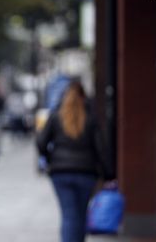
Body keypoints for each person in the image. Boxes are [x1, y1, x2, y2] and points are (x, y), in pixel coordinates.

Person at [36, 81, 114, 242]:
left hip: (60, 173)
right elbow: (101, 148)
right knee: (80, 214)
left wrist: (51, 159)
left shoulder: (56, 116)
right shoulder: (90, 118)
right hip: (86, 173)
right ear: (84, 97)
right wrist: (108, 174)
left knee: (69, 215)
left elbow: (41, 142)